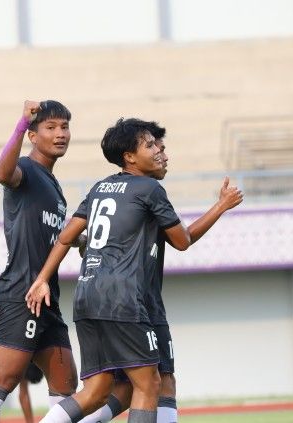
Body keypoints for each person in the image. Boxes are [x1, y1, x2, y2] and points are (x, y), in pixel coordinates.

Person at [26, 118, 242, 423]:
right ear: (130, 156)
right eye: (150, 145)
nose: (159, 151)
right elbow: (183, 241)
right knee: (151, 383)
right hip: (125, 297)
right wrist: (220, 206)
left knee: (99, 388)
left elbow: (66, 235)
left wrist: (44, 277)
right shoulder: (149, 189)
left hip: (88, 295)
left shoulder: (100, 187)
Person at [0, 100, 78, 423]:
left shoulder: (54, 187)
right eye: (51, 127)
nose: (60, 134)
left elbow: (57, 237)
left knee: (67, 389)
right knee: (0, 383)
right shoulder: (25, 170)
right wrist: (18, 123)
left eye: (65, 127)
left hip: (48, 301)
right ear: (32, 135)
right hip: (21, 295)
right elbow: (2, 172)